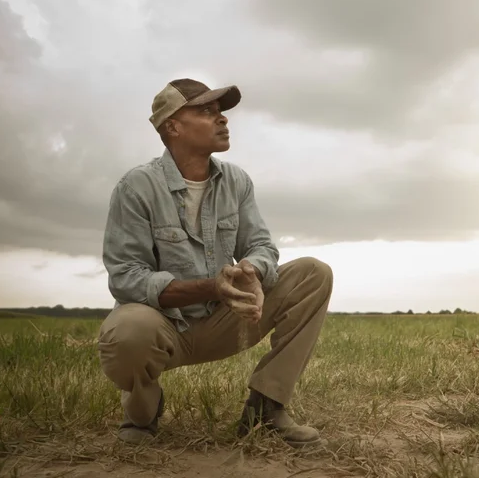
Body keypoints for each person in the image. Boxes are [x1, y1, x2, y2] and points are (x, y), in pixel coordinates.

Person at [97, 78, 333, 448]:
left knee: (313, 274)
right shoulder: (136, 187)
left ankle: (266, 407)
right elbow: (126, 278)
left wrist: (252, 271)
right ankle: (143, 412)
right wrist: (209, 286)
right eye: (206, 112)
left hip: (226, 319)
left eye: (221, 113)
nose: (222, 120)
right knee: (127, 329)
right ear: (172, 126)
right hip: (166, 328)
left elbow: (260, 245)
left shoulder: (236, 181)